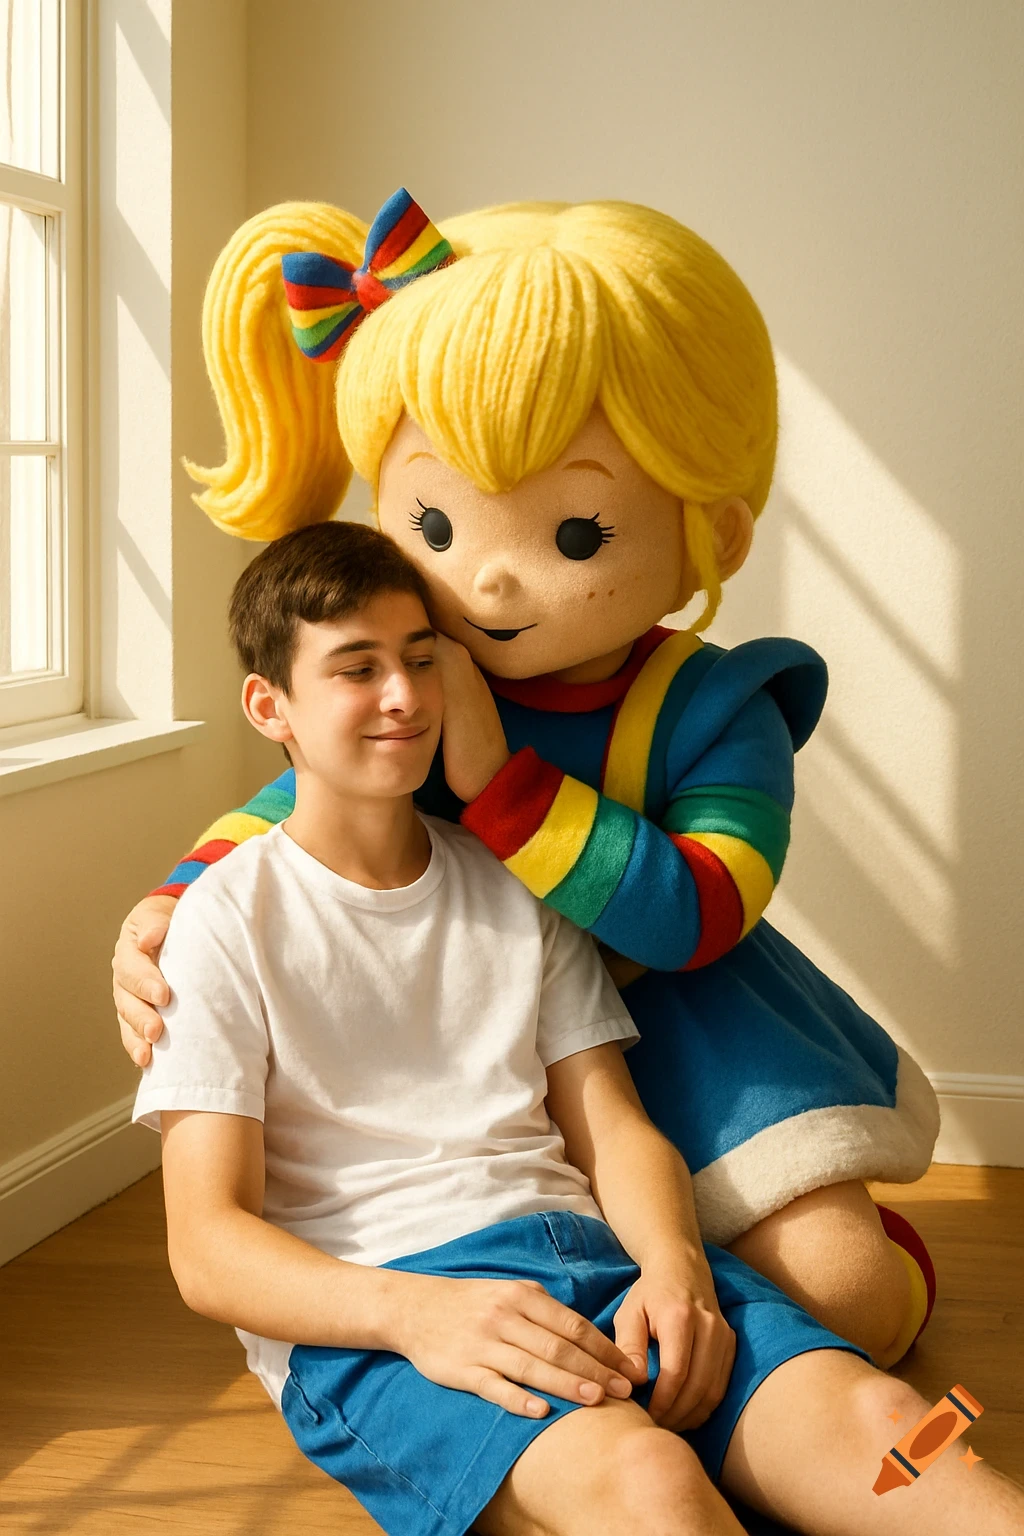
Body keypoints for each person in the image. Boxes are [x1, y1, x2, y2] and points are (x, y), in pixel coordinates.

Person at [116, 191, 941, 1371]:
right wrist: (171, 901)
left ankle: (777, 1281)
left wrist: (505, 790)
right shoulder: (420, 674)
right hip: (494, 1051)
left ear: (715, 526)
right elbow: (297, 805)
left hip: (683, 1021)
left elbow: (703, 911)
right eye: (437, 523)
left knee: (851, 1304)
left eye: (574, 536)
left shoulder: (715, 705)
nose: (489, 586)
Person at [133, 520, 1024, 1536]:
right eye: (356, 668)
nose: (403, 696)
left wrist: (677, 1271)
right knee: (650, 1483)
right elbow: (206, 1248)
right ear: (270, 705)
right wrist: (414, 1315)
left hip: (593, 1254)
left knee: (890, 1424)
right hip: (391, 1311)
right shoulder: (219, 923)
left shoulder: (516, 886)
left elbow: (612, 1124)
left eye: (423, 659)